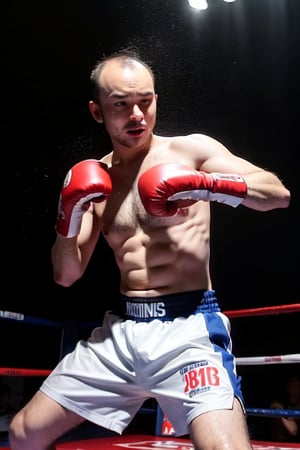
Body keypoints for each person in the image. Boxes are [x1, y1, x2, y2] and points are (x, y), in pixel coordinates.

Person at [9, 48, 290, 450]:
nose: (137, 114)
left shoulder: (191, 151)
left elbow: (277, 194)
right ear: (97, 112)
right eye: (121, 105)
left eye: (145, 101)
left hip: (189, 329)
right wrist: (66, 216)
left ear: (155, 99)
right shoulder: (96, 181)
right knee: (23, 435)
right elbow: (66, 275)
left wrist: (208, 184)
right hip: (120, 332)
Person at [269, 375, 300, 442]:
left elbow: (293, 430)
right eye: (291, 385)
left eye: (296, 386)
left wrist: (280, 412)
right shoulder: (283, 403)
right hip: (279, 443)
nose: (293, 388)